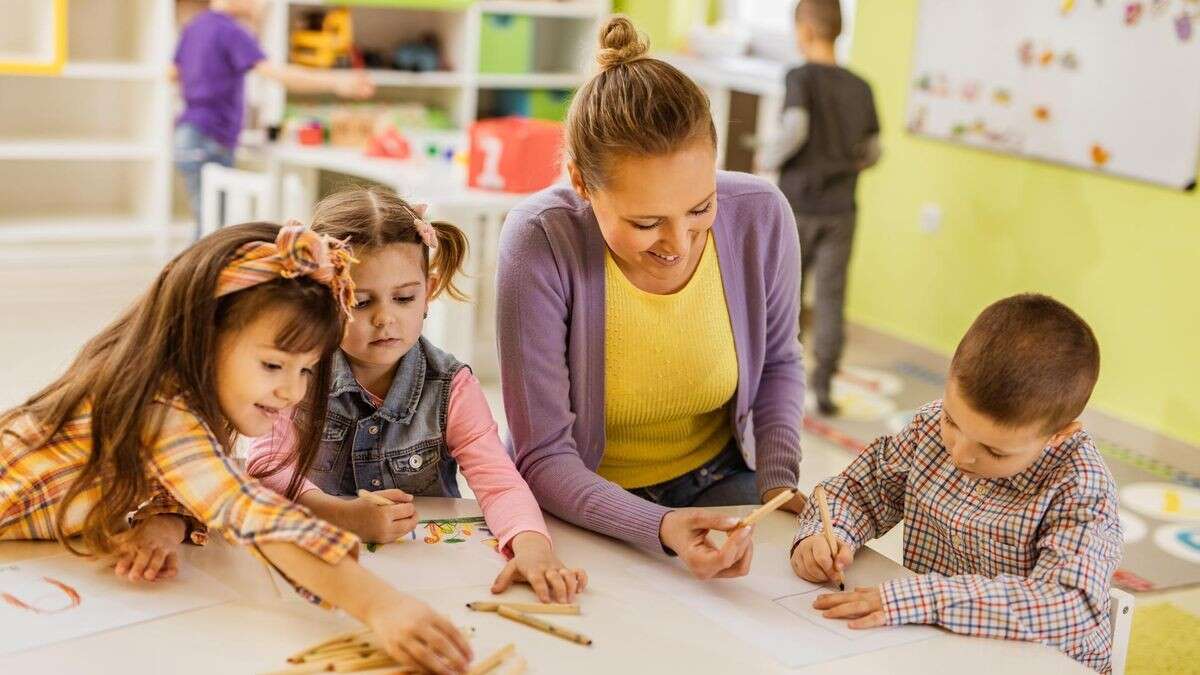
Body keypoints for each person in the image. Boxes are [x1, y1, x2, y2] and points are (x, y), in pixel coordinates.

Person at [0, 223, 472, 674]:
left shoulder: (180, 391)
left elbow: (181, 470)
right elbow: (249, 511)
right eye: (273, 365)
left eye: (306, 370)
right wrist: (382, 605)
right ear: (204, 337)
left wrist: (165, 520)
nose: (293, 392)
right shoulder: (161, 408)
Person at [496, 16, 806, 581]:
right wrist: (659, 526)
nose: (679, 243)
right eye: (646, 222)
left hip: (719, 480)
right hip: (583, 494)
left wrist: (780, 481)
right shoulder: (540, 239)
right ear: (581, 184)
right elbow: (541, 456)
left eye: (699, 208)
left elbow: (780, 361)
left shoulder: (761, 215)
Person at [247, 188, 587, 604]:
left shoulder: (452, 386)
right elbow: (264, 466)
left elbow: (499, 484)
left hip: (430, 583)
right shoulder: (298, 372)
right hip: (323, 576)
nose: (386, 318)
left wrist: (533, 548)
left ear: (428, 291)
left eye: (405, 298)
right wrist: (337, 513)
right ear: (323, 298)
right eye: (361, 301)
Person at [791, 294, 1120, 673]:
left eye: (995, 452)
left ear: (1058, 435)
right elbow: (858, 492)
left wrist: (924, 598)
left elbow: (1068, 604)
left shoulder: (1079, 486)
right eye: (953, 421)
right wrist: (823, 536)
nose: (961, 455)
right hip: (936, 648)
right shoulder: (929, 426)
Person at [756, 0, 881, 415]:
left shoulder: (800, 76)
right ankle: (824, 387)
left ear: (804, 30)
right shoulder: (861, 87)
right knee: (831, 297)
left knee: (785, 294)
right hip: (841, 208)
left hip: (798, 204)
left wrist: (767, 158)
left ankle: (777, 383)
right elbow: (874, 150)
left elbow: (796, 129)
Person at [173, 0, 374, 232]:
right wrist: (337, 83)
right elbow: (278, 74)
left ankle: (199, 267)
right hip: (210, 135)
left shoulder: (195, 26)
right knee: (213, 229)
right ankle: (199, 269)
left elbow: (172, 73)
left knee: (207, 222)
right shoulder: (231, 31)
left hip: (188, 133)